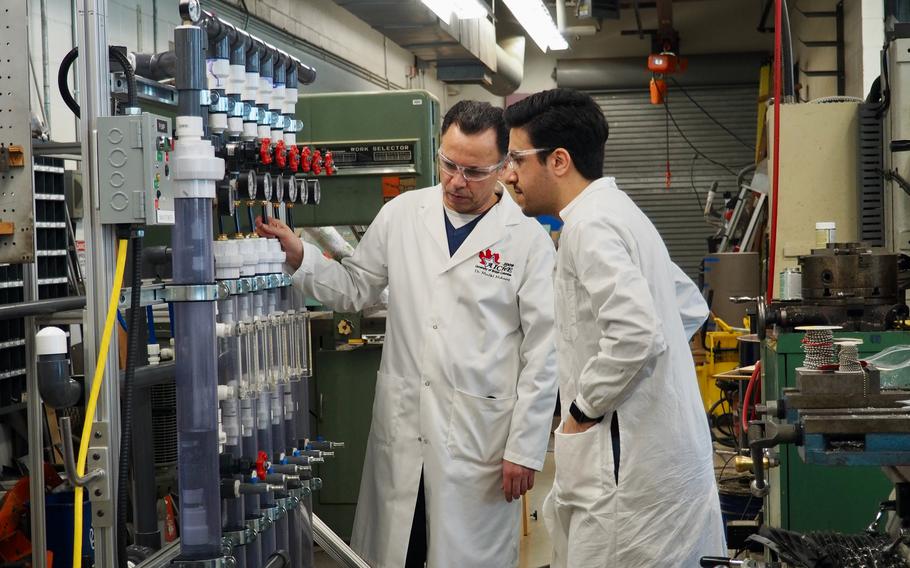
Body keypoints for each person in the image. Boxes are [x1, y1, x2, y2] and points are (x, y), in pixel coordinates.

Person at [257, 100, 557, 568]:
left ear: (502, 167)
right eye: (449, 164)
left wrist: (525, 447)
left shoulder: (527, 241)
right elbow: (357, 288)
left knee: (461, 553)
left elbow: (544, 353)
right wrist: (300, 257)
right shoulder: (402, 214)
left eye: (475, 171)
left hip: (480, 438)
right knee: (400, 548)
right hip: (404, 425)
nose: (457, 181)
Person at [502, 88, 725, 567]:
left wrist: (583, 410)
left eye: (517, 158)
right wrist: (654, 390)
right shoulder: (620, 211)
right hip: (660, 462)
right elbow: (684, 305)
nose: (508, 174)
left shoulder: (589, 227)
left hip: (628, 480)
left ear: (558, 160)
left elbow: (637, 334)